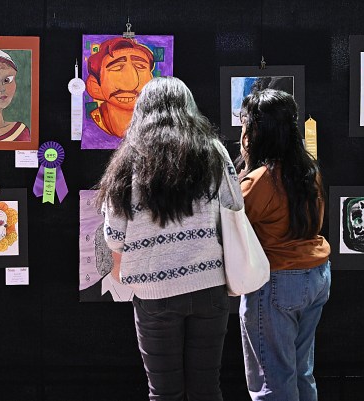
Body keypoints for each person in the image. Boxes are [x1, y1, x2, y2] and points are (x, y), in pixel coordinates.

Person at [97, 76, 241, 401]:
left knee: (164, 392)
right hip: (210, 285)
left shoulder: (129, 159)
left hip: (154, 292)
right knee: (207, 388)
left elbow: (114, 234)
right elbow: (235, 206)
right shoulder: (213, 151)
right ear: (189, 108)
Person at [236, 89, 331, 401]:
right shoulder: (309, 170)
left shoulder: (260, 180)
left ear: (256, 132)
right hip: (316, 276)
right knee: (301, 373)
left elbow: (230, 227)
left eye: (245, 125)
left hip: (277, 282)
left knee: (272, 383)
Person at [86, 37, 155, 138]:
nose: (132, 83)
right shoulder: (90, 129)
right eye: (117, 68)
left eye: (140, 67)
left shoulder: (156, 124)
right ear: (95, 86)